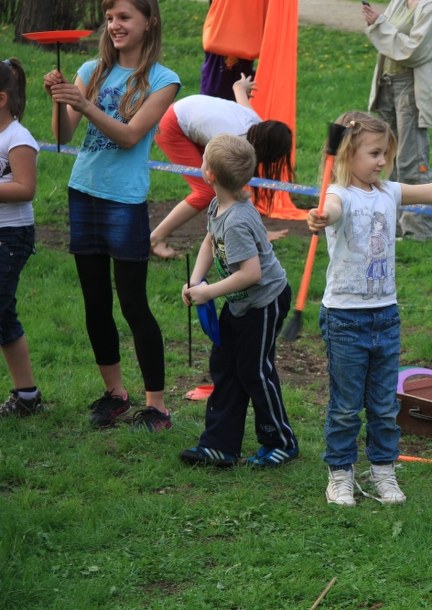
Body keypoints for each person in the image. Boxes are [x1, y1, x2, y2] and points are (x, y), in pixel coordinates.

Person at [307, 112, 432, 506]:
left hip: (386, 316)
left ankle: (383, 470)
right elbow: (328, 211)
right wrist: (318, 218)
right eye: (374, 153)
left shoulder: (389, 192)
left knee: (385, 405)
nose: (382, 161)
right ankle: (340, 474)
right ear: (348, 154)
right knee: (347, 407)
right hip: (345, 319)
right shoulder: (338, 194)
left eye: (385, 153)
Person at [43, 0, 180, 431]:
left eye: (124, 18)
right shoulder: (91, 70)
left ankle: (156, 405)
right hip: (83, 193)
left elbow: (129, 135)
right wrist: (61, 98)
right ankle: (115, 394)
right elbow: (63, 136)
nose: (115, 26)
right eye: (109, 19)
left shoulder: (163, 79)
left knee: (134, 303)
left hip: (123, 201)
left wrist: (84, 107)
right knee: (96, 302)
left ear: (148, 23)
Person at [179, 134, 297, 468]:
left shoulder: (238, 220)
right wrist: (196, 280)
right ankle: (220, 445)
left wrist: (210, 291)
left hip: (264, 302)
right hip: (241, 302)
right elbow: (208, 240)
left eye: (203, 160)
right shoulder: (220, 205)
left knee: (254, 371)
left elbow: (251, 274)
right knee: (225, 367)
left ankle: (281, 442)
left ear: (210, 175)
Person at [150, 73, 294, 259]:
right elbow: (213, 162)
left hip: (187, 112)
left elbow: (239, 92)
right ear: (268, 151)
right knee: (206, 191)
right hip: (172, 125)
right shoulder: (235, 140)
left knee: (230, 185)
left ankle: (254, 233)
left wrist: (241, 86)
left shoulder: (256, 125)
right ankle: (156, 238)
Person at [363, 0, 432, 242]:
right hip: (388, 83)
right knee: (388, 158)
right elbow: (389, 39)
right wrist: (376, 22)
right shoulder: (400, 1)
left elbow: (414, 51)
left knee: (411, 159)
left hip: (411, 87)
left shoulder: (431, 7)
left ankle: (423, 230)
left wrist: (379, 25)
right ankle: (396, 224)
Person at [0, 58, 43, 418]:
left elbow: (25, 188)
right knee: (4, 318)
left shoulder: (18, 138)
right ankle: (27, 396)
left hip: (10, 238)